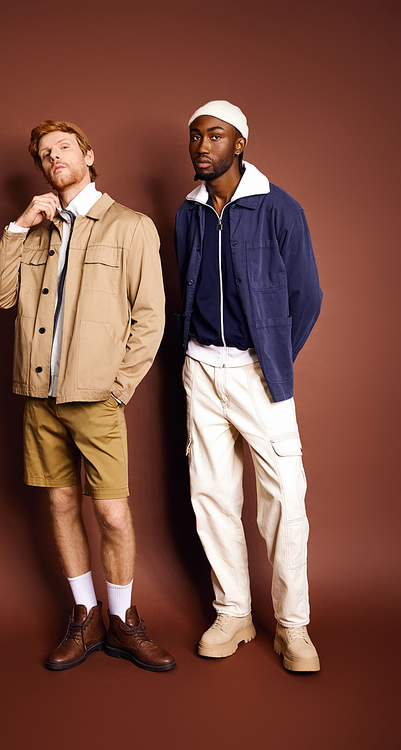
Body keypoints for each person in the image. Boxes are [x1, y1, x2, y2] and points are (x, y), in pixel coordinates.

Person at [0, 119, 175, 672]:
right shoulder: (36, 230)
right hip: (38, 397)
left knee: (113, 515)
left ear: (88, 155)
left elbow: (151, 317)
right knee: (61, 504)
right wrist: (19, 225)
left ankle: (123, 620)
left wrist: (118, 389)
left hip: (96, 400)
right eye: (44, 154)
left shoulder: (130, 225)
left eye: (63, 148)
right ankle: (85, 615)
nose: (53, 158)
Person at [174, 101, 322, 672]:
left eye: (214, 135)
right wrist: (193, 356)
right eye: (194, 136)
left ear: (240, 144)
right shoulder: (188, 212)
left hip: (259, 372)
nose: (201, 145)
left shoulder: (279, 207)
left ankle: (292, 627)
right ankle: (233, 612)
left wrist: (273, 358)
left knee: (284, 498)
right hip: (199, 369)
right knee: (210, 493)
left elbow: (306, 297)